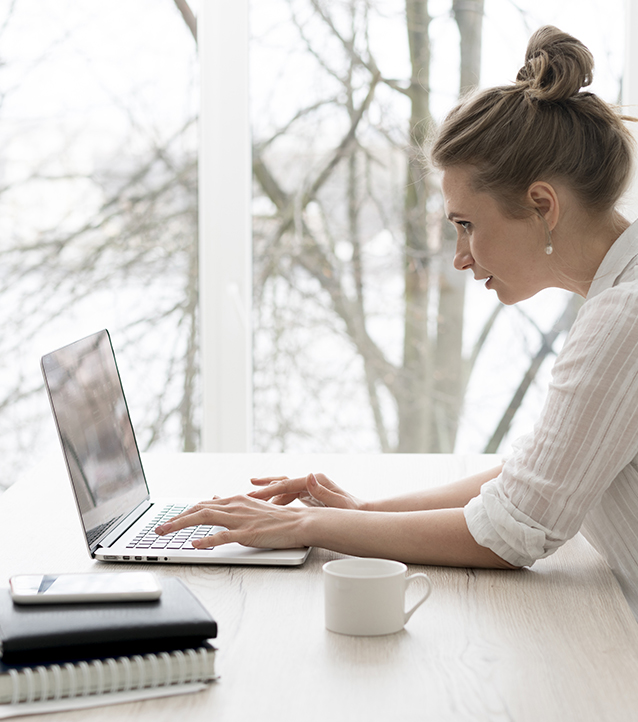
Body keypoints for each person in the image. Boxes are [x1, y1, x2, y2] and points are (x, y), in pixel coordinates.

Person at [156, 26, 638, 613]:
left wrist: (309, 528)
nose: (461, 257)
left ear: (542, 206)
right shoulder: (617, 296)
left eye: (466, 225)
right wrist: (365, 515)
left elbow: (515, 531)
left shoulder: (623, 316)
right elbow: (535, 477)